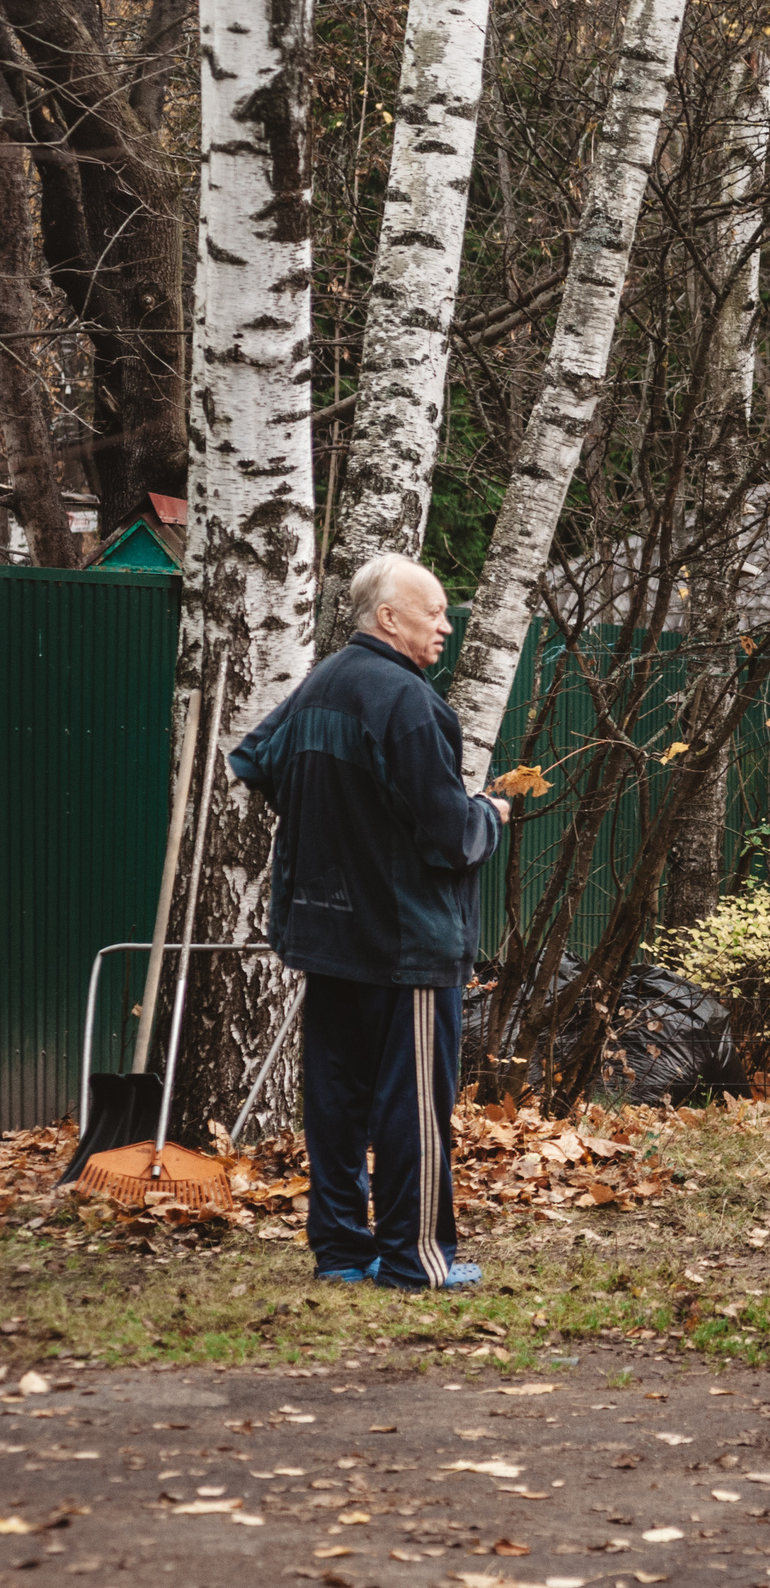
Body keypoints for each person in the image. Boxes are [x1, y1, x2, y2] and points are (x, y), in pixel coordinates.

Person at [229, 553, 511, 1292]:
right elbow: (449, 839)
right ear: (389, 618)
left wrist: (331, 829)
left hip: (326, 936)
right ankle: (416, 1262)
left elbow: (254, 762)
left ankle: (342, 1255)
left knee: (336, 1102)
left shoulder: (323, 683)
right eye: (435, 613)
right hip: (407, 945)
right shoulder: (408, 702)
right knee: (412, 1107)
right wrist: (489, 814)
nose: (446, 627)